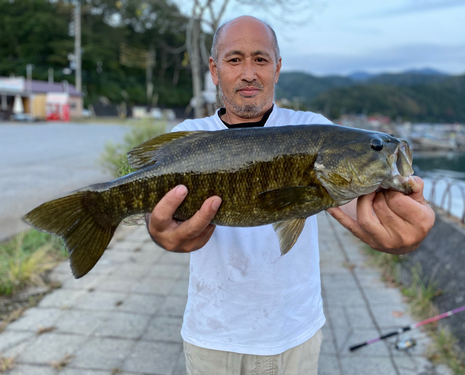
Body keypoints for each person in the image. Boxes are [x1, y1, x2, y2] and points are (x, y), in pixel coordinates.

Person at [146, 15, 435, 375]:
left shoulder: (312, 128)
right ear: (214, 69)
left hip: (293, 334)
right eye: (234, 59)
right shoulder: (189, 136)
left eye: (261, 59)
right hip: (211, 335)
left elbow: (354, 201)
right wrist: (160, 233)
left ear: (278, 68)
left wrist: (399, 231)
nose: (249, 72)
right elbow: (159, 216)